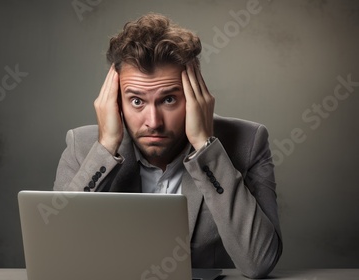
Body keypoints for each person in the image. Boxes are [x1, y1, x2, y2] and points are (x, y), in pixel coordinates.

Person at [53, 13, 282, 278]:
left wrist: (206, 148)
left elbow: (260, 262)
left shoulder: (248, 142)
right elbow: (55, 253)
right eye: (137, 101)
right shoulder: (82, 147)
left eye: (169, 99)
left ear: (197, 97)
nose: (153, 122)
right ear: (116, 101)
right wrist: (105, 148)